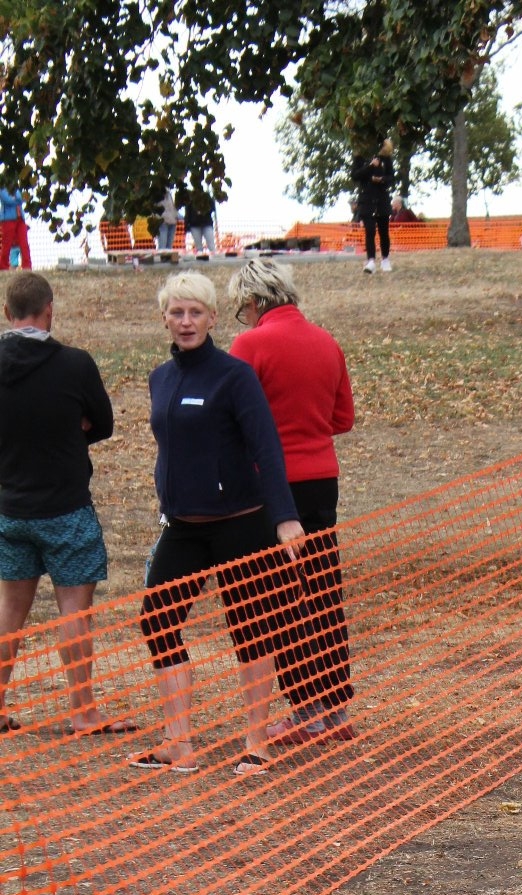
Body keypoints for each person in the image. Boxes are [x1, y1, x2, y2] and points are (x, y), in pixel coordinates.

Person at [131, 272, 303, 775]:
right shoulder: (161, 378)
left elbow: (267, 449)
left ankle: (256, 742)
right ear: (164, 318)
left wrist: (285, 518)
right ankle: (178, 742)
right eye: (177, 312)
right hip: (183, 526)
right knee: (157, 620)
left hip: (240, 524)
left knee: (252, 630)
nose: (186, 322)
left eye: (195, 313)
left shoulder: (235, 376)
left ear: (212, 318)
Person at [228, 258, 356, 743]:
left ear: (254, 301)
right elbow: (342, 418)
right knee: (323, 592)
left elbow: (232, 415)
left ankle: (305, 709)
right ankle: (337, 707)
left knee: (281, 599)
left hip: (273, 487)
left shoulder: (250, 345)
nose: (245, 316)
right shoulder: (326, 341)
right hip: (322, 479)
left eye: (243, 308)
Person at [0, 272, 127, 735]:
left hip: (11, 508)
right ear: (49, 309)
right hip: (67, 508)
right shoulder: (75, 364)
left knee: (9, 611)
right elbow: (105, 423)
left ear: (7, 313)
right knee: (75, 611)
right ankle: (83, 710)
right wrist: (70, 432)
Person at [352, 142, 394, 273]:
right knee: (369, 232)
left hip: (382, 200)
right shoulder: (360, 158)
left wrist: (381, 179)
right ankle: (370, 261)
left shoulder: (386, 159)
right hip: (367, 201)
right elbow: (355, 175)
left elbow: (391, 178)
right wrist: (370, 166)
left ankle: (385, 259)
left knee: (383, 232)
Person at [0, 187, 32, 271]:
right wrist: (18, 199)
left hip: (20, 219)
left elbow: (21, 198)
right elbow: (7, 200)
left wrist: (16, 199)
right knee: (6, 244)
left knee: (24, 243)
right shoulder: (2, 187)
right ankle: (3, 267)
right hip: (7, 219)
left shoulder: (16, 187)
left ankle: (27, 267)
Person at [182, 189, 217, 259]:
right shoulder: (190, 199)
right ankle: (201, 261)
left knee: (211, 245)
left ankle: (214, 259)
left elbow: (212, 208)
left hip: (206, 223)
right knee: (199, 247)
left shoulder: (206, 197)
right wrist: (186, 225)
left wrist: (204, 211)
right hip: (194, 224)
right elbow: (187, 213)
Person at [157, 187, 180, 255]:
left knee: (169, 246)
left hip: (172, 220)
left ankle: (167, 258)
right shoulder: (157, 193)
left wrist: (176, 216)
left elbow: (173, 206)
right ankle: (162, 258)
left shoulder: (171, 192)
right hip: (163, 221)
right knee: (163, 245)